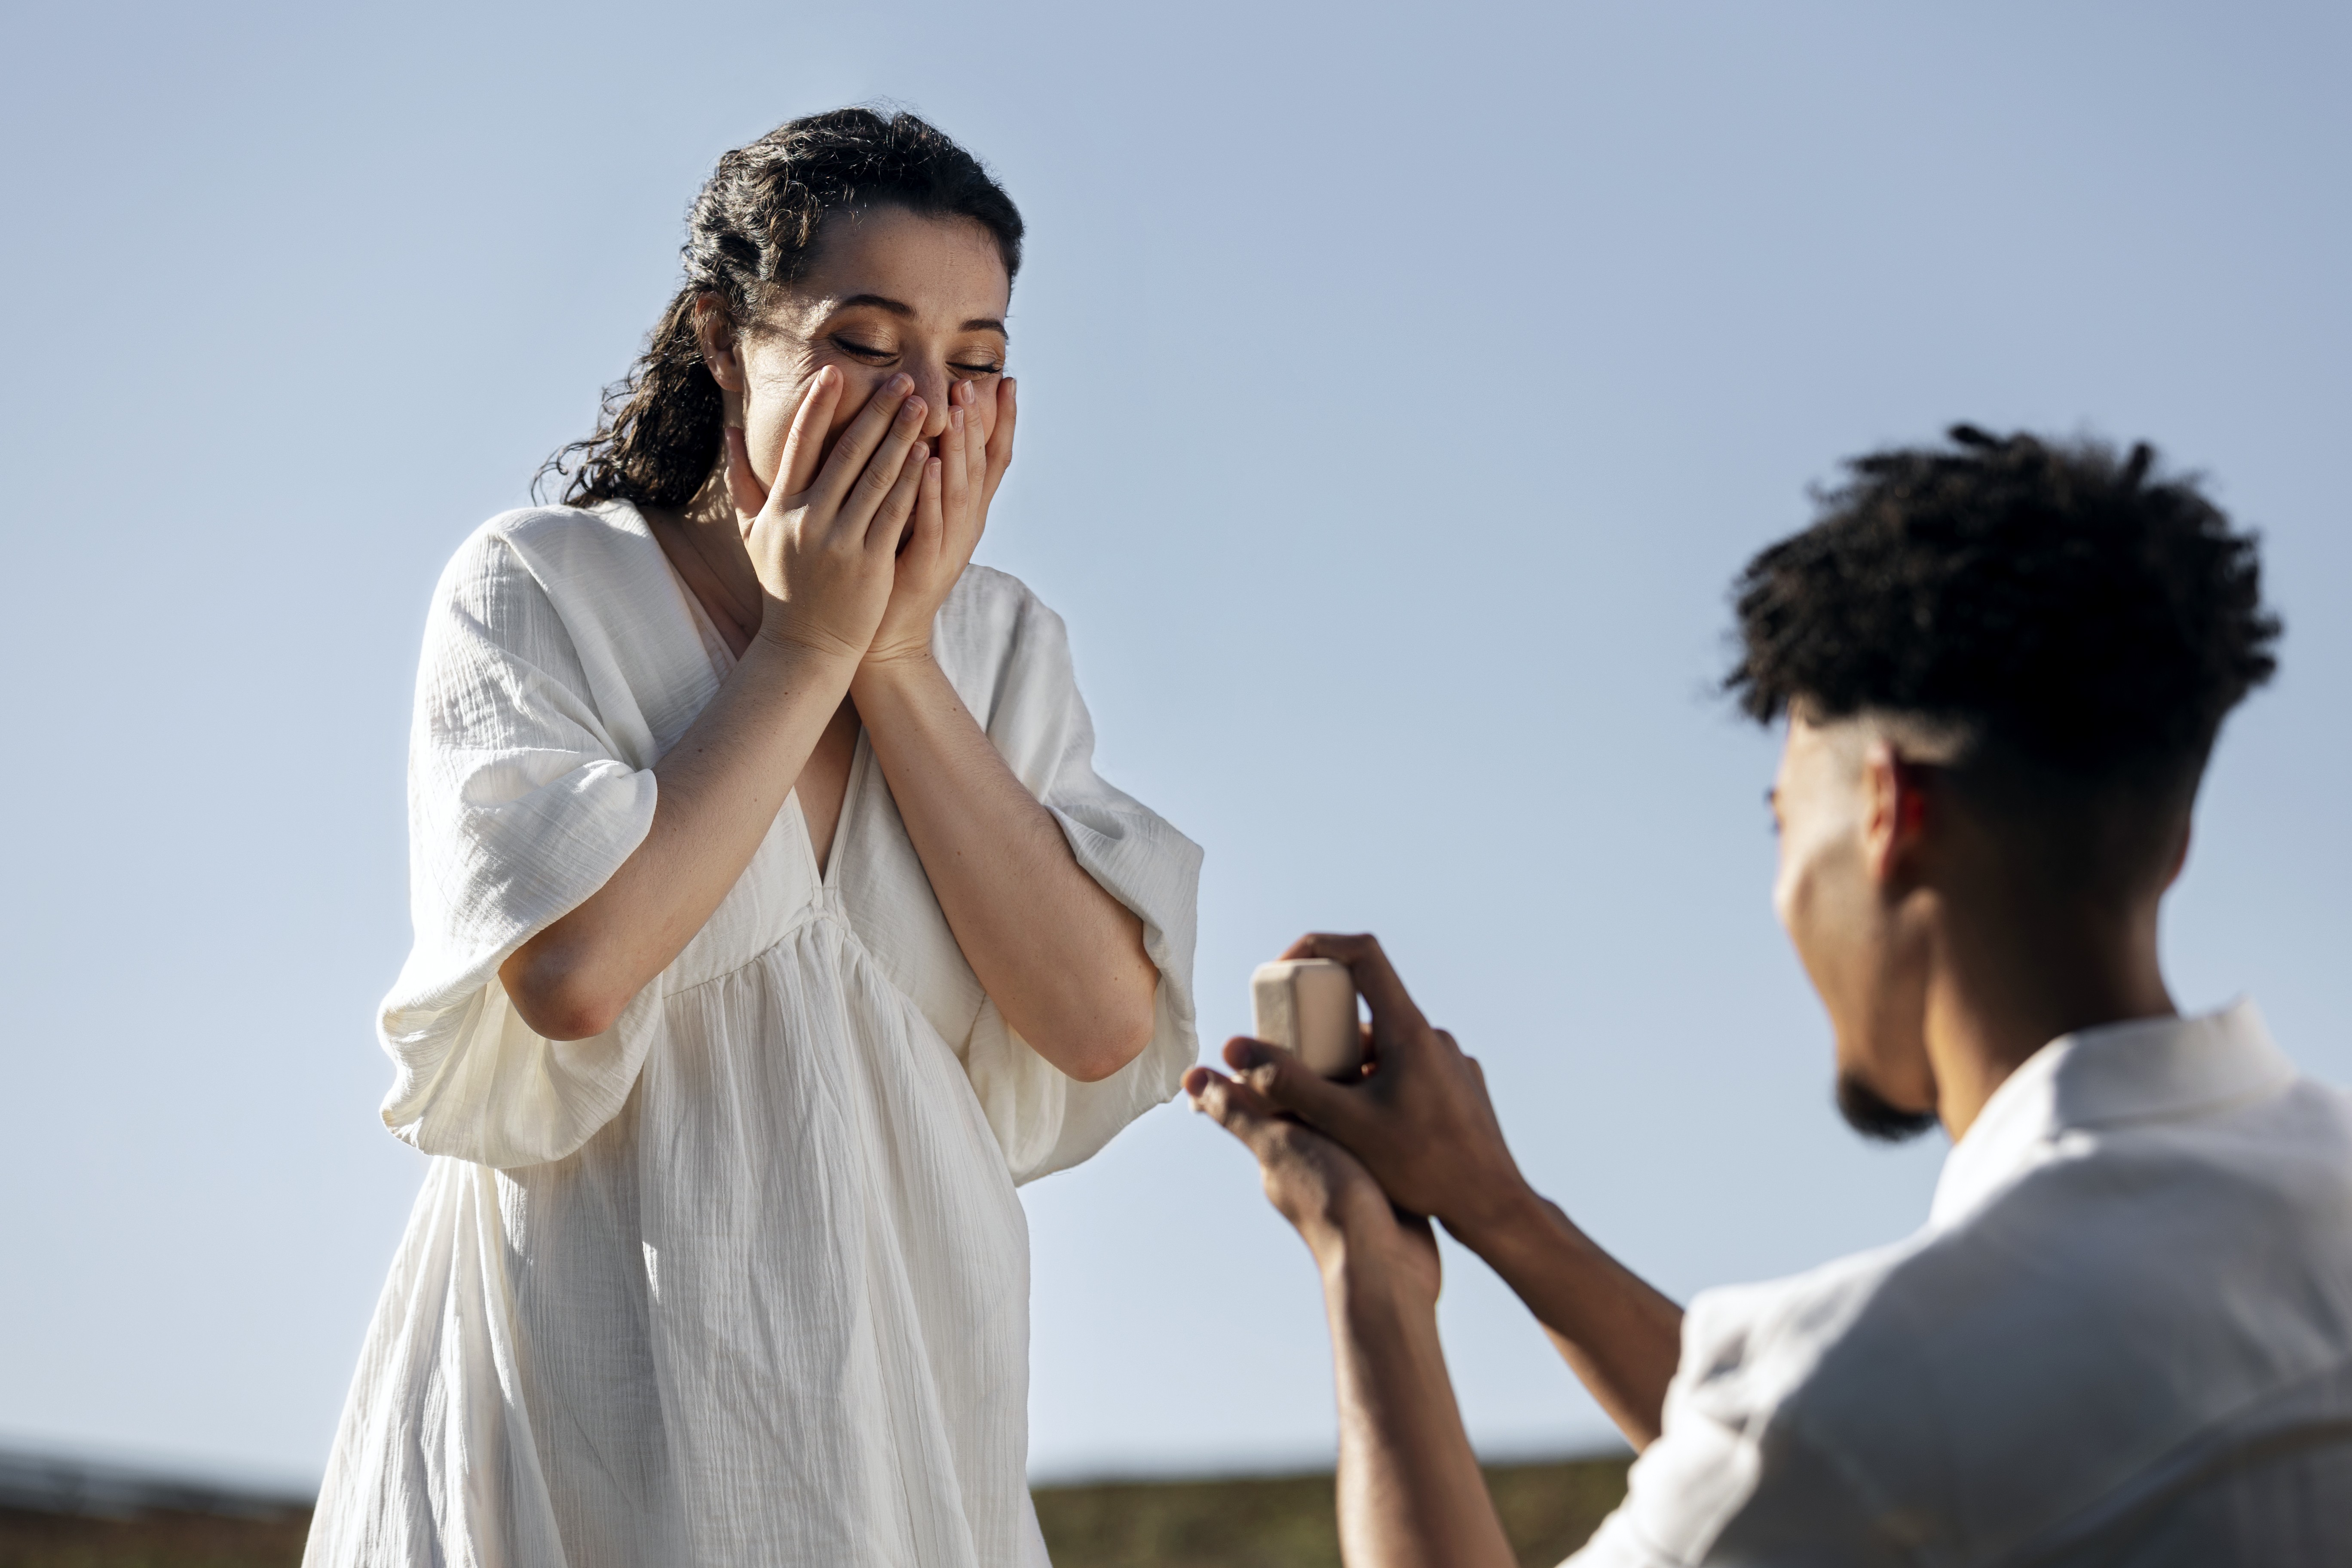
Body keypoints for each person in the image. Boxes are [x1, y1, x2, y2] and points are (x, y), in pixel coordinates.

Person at [1188, 427, 2352, 1565]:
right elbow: (1839, 1481)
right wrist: (1502, 1214)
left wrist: (1365, 1265)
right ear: (2172, 832)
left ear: (1890, 812)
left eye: (1786, 821)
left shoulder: (1875, 1394)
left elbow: (1837, 1446)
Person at [306, 109, 1202, 1568]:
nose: (926, 405)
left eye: (974, 363)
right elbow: (574, 975)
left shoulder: (1001, 648)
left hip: (910, 1440)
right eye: (865, 341)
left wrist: (898, 658)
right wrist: (806, 648)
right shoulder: (545, 586)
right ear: (727, 343)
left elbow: (1102, 1021)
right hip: (593, 1430)